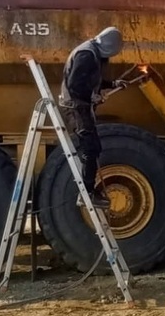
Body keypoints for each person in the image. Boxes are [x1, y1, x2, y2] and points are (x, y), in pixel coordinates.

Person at [59, 26, 128, 209]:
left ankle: (88, 190)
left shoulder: (92, 51)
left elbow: (89, 79)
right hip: (76, 108)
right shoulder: (86, 55)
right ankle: (86, 194)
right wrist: (92, 96)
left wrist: (112, 84)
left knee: (93, 148)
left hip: (80, 107)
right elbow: (75, 85)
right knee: (90, 149)